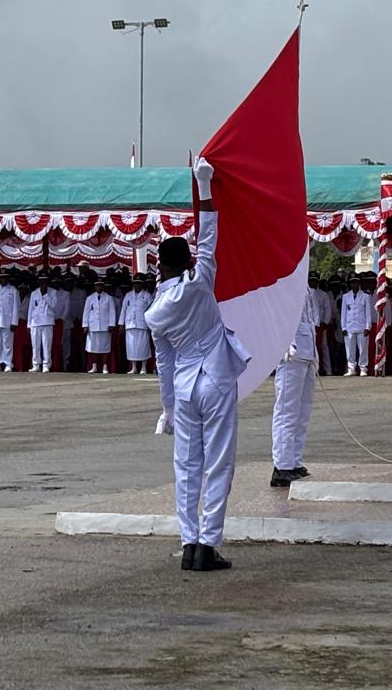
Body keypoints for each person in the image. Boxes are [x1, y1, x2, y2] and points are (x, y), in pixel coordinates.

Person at [146, 158, 249, 572]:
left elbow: (163, 364)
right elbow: (209, 236)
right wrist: (204, 185)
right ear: (186, 263)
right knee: (220, 461)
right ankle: (208, 544)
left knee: (186, 466)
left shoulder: (154, 312)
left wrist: (167, 408)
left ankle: (188, 544)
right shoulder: (200, 281)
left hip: (186, 387)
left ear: (159, 266)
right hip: (217, 378)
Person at [270, 291, 318, 487]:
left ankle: (294, 461)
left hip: (308, 351)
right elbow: (277, 315)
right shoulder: (284, 281)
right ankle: (281, 466)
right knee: (286, 412)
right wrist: (285, 342)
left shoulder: (303, 284)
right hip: (292, 352)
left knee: (302, 412)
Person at [339, 274, 373, 378]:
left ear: (359, 283)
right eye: (352, 282)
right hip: (349, 326)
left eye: (356, 282)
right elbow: (343, 313)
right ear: (350, 284)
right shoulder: (345, 296)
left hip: (361, 326)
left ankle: (363, 368)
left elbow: (368, 312)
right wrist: (343, 327)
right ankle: (351, 368)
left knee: (363, 349)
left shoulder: (365, 296)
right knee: (350, 350)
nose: (354, 284)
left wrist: (368, 327)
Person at [120, 273, 154, 375]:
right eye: (135, 283)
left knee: (143, 346)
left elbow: (151, 311)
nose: (137, 285)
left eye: (139, 283)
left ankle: (143, 367)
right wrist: (121, 324)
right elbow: (124, 310)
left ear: (142, 284)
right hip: (130, 324)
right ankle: (133, 367)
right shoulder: (128, 295)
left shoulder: (147, 296)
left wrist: (150, 324)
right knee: (131, 346)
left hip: (142, 324)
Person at [82, 276, 117, 374]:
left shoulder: (109, 298)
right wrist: (85, 325)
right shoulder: (90, 298)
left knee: (105, 347)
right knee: (93, 347)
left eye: (101, 286)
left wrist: (112, 324)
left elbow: (112, 312)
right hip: (93, 325)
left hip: (104, 326)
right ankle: (94, 366)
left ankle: (105, 367)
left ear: (103, 287)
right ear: (94, 286)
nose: (99, 288)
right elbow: (86, 312)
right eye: (97, 286)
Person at [26, 271, 59, 372]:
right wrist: (29, 324)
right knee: (35, 345)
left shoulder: (53, 292)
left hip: (47, 321)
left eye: (44, 282)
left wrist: (45, 295)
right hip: (35, 322)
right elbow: (31, 309)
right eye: (41, 282)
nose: (43, 284)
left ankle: (46, 364)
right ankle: (36, 364)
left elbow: (53, 305)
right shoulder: (34, 293)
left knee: (46, 344)